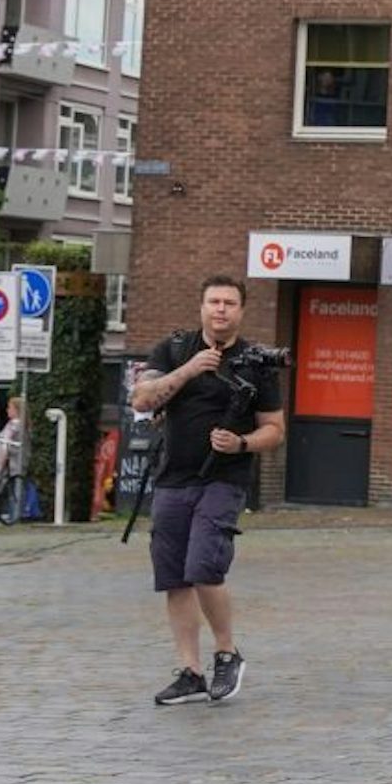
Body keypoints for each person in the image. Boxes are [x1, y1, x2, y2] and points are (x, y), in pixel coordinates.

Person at [130, 277, 283, 706]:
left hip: (224, 478)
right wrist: (190, 369)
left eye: (230, 303)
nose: (221, 310)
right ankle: (190, 671)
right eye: (214, 302)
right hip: (172, 477)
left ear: (241, 311)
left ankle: (227, 652)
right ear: (201, 307)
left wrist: (243, 443)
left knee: (204, 567)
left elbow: (275, 429)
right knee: (174, 577)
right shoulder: (174, 350)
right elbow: (142, 400)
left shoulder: (256, 363)